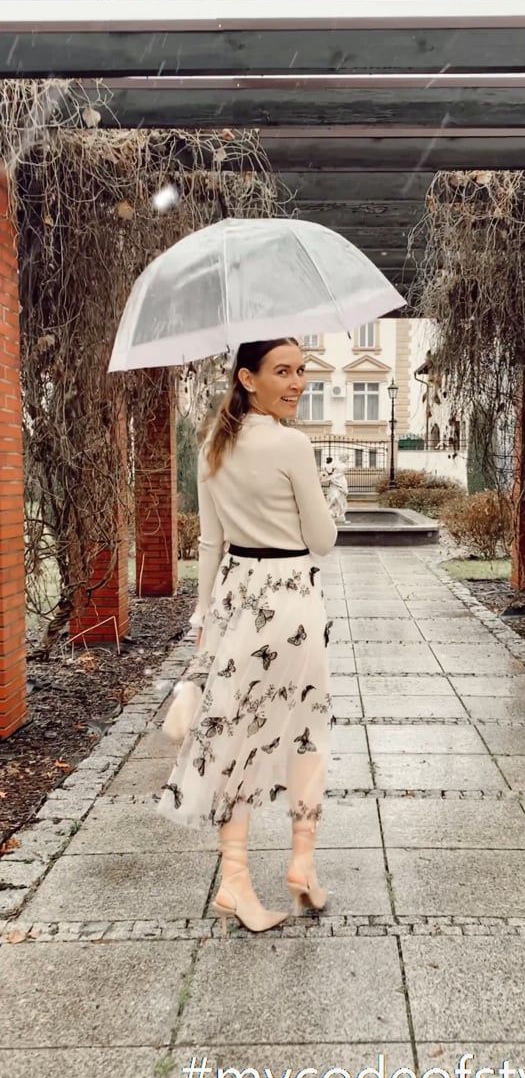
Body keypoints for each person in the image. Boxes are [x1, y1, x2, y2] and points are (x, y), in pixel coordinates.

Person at [155, 338, 338, 935]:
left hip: (236, 599)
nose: (297, 382)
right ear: (247, 378)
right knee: (304, 727)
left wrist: (205, 617)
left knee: (236, 734)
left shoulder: (213, 444)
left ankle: (236, 876)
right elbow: (323, 538)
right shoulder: (292, 444)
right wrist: (331, 496)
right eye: (282, 371)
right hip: (288, 601)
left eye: (302, 370)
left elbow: (210, 544)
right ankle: (301, 862)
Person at [323, 453, 349, 523]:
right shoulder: (336, 463)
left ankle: (339, 513)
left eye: (345, 457)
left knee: (340, 497)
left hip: (340, 481)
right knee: (333, 496)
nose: (343, 458)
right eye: (343, 456)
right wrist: (330, 476)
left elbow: (340, 474)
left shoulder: (345, 466)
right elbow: (330, 470)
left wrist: (332, 477)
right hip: (334, 481)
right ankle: (329, 511)